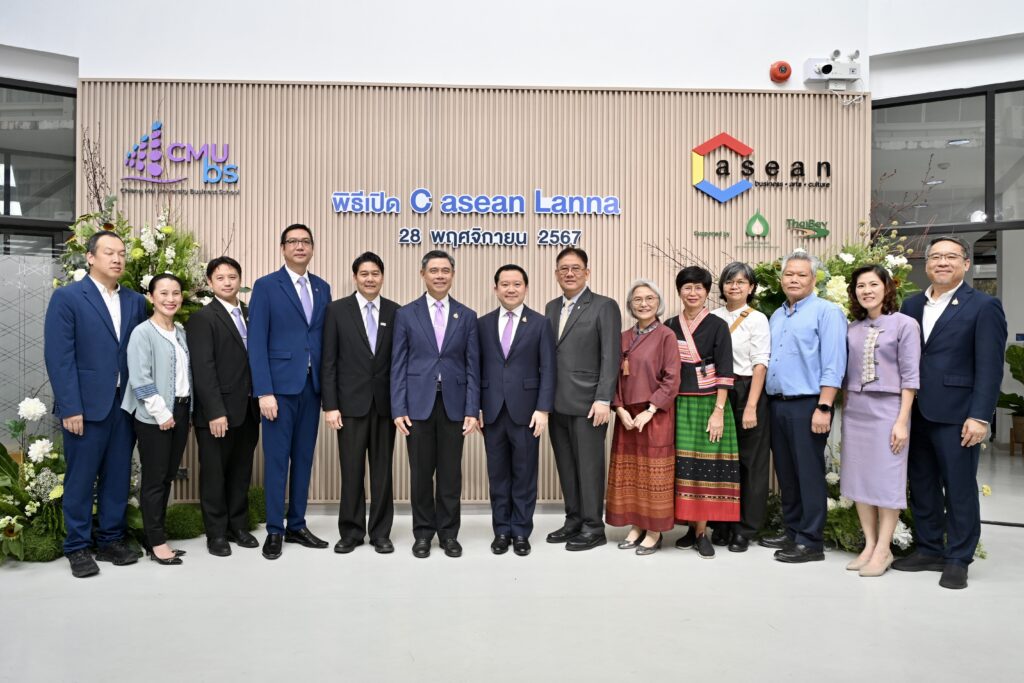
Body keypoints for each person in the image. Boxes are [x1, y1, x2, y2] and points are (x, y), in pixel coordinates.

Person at [894, 236, 1006, 589]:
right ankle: (929, 549)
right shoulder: (911, 305)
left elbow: (990, 367)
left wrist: (980, 415)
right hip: (915, 412)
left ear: (966, 264)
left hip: (958, 414)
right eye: (936, 257)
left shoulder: (984, 306)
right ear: (926, 264)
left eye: (951, 257)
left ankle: (958, 557)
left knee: (959, 488)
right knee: (922, 484)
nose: (943, 262)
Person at [44, 230, 148, 578]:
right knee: (81, 478)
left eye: (122, 253)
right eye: (109, 252)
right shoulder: (68, 297)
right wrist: (70, 406)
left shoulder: (135, 301)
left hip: (124, 404)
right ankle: (77, 546)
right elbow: (60, 357)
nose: (117, 259)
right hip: (85, 406)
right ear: (90, 257)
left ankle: (110, 540)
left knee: (118, 476)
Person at [248, 224, 333, 560]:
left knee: (304, 458)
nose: (300, 246)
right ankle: (275, 529)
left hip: (311, 388)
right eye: (293, 241)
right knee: (277, 461)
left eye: (305, 241)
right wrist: (263, 391)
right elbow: (257, 342)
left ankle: (297, 524)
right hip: (279, 390)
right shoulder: (267, 286)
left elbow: (324, 339)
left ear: (312, 248)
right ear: (283, 248)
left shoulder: (322, 287)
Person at [391, 250, 480, 559]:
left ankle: (449, 534)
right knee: (420, 473)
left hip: (454, 405)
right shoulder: (406, 314)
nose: (440, 275)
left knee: (450, 475)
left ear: (452, 275)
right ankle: (423, 533)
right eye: (434, 270)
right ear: (423, 274)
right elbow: (398, 364)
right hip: (417, 405)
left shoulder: (466, 315)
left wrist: (472, 409)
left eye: (445, 270)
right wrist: (398, 408)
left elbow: (473, 366)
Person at [761, 251, 847, 563]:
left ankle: (811, 541)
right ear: (780, 279)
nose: (794, 280)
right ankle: (793, 530)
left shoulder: (828, 312)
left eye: (801, 275)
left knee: (809, 473)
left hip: (810, 404)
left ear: (814, 279)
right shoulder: (777, 315)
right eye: (789, 274)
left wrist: (824, 406)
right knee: (786, 472)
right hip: (777, 404)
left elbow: (834, 363)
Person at [841, 265, 921, 577]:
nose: (867, 291)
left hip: (889, 410)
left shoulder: (905, 324)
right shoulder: (852, 328)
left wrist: (902, 421)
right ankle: (870, 545)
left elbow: (911, 377)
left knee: (887, 479)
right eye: (861, 286)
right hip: (856, 410)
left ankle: (884, 549)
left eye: (873, 284)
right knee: (858, 478)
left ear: (887, 287)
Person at [544, 247, 622, 551]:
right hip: (556, 403)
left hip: (589, 404)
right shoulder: (551, 308)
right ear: (556, 274)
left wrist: (603, 398)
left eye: (576, 268)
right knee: (566, 465)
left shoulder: (604, 306)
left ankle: (593, 526)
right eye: (563, 268)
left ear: (587, 272)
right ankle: (573, 519)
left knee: (589, 467)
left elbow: (611, 356)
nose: (570, 273)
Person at [321, 252, 399, 554]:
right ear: (355, 277)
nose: (370, 279)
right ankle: (351, 532)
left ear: (383, 277)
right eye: (364, 274)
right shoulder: (337, 311)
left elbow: (399, 363)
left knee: (382, 473)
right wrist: (330, 405)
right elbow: (329, 361)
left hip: (385, 406)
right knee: (351, 471)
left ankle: (380, 533)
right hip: (349, 406)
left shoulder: (395, 311)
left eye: (375, 273)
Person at [477, 264, 556, 557]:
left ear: (526, 288)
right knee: (497, 475)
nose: (511, 289)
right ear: (495, 288)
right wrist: (476, 407)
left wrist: (543, 409)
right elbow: (475, 367)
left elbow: (548, 368)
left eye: (517, 284)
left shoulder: (540, 323)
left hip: (527, 412)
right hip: (491, 411)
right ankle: (501, 531)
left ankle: (521, 531)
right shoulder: (482, 324)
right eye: (505, 284)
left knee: (524, 474)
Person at [186, 257, 261, 557]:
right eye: (220, 278)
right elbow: (203, 369)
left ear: (240, 280)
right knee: (214, 474)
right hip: (217, 413)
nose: (227, 282)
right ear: (209, 282)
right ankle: (216, 533)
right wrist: (216, 411)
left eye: (232, 277)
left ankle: (238, 526)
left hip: (249, 409)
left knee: (241, 472)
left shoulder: (251, 313)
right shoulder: (203, 319)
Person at [665, 267, 738, 559]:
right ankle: (688, 528)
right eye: (687, 287)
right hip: (679, 404)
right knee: (684, 467)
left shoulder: (718, 325)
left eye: (698, 288)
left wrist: (718, 411)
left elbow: (725, 370)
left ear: (707, 292)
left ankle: (701, 532)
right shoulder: (670, 325)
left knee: (706, 467)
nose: (692, 293)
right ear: (679, 291)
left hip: (710, 404)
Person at [122, 274, 192, 565]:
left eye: (175, 293)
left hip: (182, 410)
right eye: (163, 293)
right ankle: (156, 542)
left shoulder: (180, 332)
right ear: (151, 297)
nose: (170, 299)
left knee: (166, 477)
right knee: (154, 479)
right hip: (156, 415)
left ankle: (155, 535)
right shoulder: (143, 332)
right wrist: (161, 413)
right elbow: (140, 378)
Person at [606, 279, 678, 555]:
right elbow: (611, 376)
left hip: (654, 414)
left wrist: (650, 411)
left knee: (653, 475)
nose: (644, 304)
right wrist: (619, 409)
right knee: (632, 474)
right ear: (630, 305)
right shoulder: (622, 336)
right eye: (637, 299)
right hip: (627, 416)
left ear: (658, 303)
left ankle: (654, 531)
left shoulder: (666, 335)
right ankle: (636, 525)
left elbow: (672, 379)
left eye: (649, 298)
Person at [710, 262, 772, 553]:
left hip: (747, 390)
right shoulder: (713, 316)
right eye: (729, 281)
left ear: (751, 287)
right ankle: (721, 523)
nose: (734, 286)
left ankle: (745, 529)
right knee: (721, 460)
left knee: (751, 463)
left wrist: (751, 406)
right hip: (718, 392)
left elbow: (760, 364)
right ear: (722, 286)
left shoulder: (757, 319)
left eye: (741, 282)